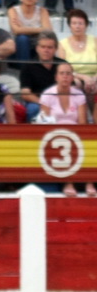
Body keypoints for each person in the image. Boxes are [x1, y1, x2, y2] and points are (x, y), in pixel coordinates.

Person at [39, 62, 93, 197]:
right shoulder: (47, 95)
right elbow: (44, 122)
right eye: (62, 73)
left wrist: (74, 135)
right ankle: (69, 182)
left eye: (68, 74)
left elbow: (82, 121)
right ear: (56, 77)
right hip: (54, 134)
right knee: (65, 143)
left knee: (86, 140)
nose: (65, 77)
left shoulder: (79, 95)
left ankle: (89, 182)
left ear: (72, 77)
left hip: (76, 133)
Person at [19, 31, 65, 121]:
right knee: (33, 109)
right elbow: (25, 93)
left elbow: (72, 89)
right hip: (37, 102)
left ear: (55, 49)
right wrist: (44, 103)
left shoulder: (63, 65)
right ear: (37, 48)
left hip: (61, 101)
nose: (46, 50)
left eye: (49, 47)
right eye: (43, 47)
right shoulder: (28, 66)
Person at [7, 0, 52, 66]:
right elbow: (16, 30)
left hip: (36, 49)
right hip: (18, 50)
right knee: (22, 38)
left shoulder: (42, 11)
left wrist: (23, 28)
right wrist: (39, 29)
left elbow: (48, 31)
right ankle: (24, 71)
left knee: (47, 42)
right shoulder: (13, 10)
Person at [56, 9, 97, 96]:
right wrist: (83, 77)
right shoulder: (63, 44)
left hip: (94, 77)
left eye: (80, 23)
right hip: (74, 77)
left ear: (86, 25)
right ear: (69, 26)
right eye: (74, 23)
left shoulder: (95, 41)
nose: (77, 26)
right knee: (76, 84)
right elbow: (63, 68)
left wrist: (94, 79)